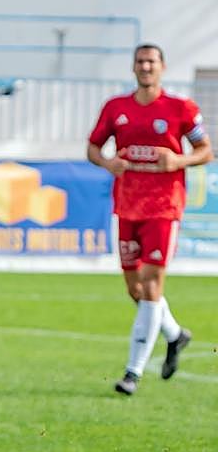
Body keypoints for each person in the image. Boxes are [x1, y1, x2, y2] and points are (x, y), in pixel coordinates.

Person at [87, 43, 211, 395]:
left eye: (151, 62)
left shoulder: (179, 108)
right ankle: (174, 334)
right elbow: (93, 147)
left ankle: (133, 373)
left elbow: (205, 150)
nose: (145, 67)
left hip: (163, 207)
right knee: (135, 289)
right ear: (133, 68)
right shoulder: (116, 108)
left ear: (162, 67)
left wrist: (178, 160)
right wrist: (107, 162)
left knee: (153, 285)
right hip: (127, 206)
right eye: (140, 61)